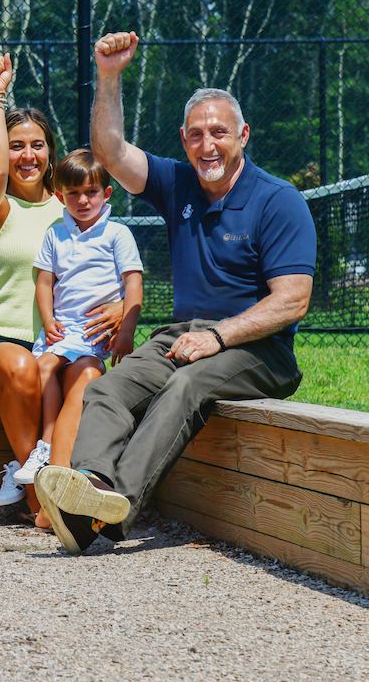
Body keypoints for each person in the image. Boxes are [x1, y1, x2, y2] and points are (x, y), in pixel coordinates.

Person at [36, 31, 316, 555]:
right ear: (183, 140)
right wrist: (109, 77)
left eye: (219, 133)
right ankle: (87, 493)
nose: (206, 145)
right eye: (195, 135)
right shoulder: (177, 182)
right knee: (106, 389)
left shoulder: (280, 201)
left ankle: (116, 507)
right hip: (183, 336)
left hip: (260, 351)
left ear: (243, 136)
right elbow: (109, 150)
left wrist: (218, 336)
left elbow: (292, 300)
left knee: (184, 388)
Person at [0, 54, 122, 520]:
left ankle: (64, 487)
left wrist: (117, 308)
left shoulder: (73, 207)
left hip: (67, 340)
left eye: (36, 144)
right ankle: (36, 491)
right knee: (23, 368)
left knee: (89, 377)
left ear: (51, 151)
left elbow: (102, 263)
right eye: (15, 145)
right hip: (2, 342)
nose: (26, 155)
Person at [17, 149, 143, 530]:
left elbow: (133, 284)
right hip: (62, 329)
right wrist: (48, 318)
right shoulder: (56, 233)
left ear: (107, 194)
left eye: (91, 192)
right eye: (74, 194)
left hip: (93, 334)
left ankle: (50, 450)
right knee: (42, 368)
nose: (83, 201)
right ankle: (47, 444)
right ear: (60, 196)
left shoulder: (117, 233)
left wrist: (126, 331)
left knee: (85, 373)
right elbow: (43, 282)